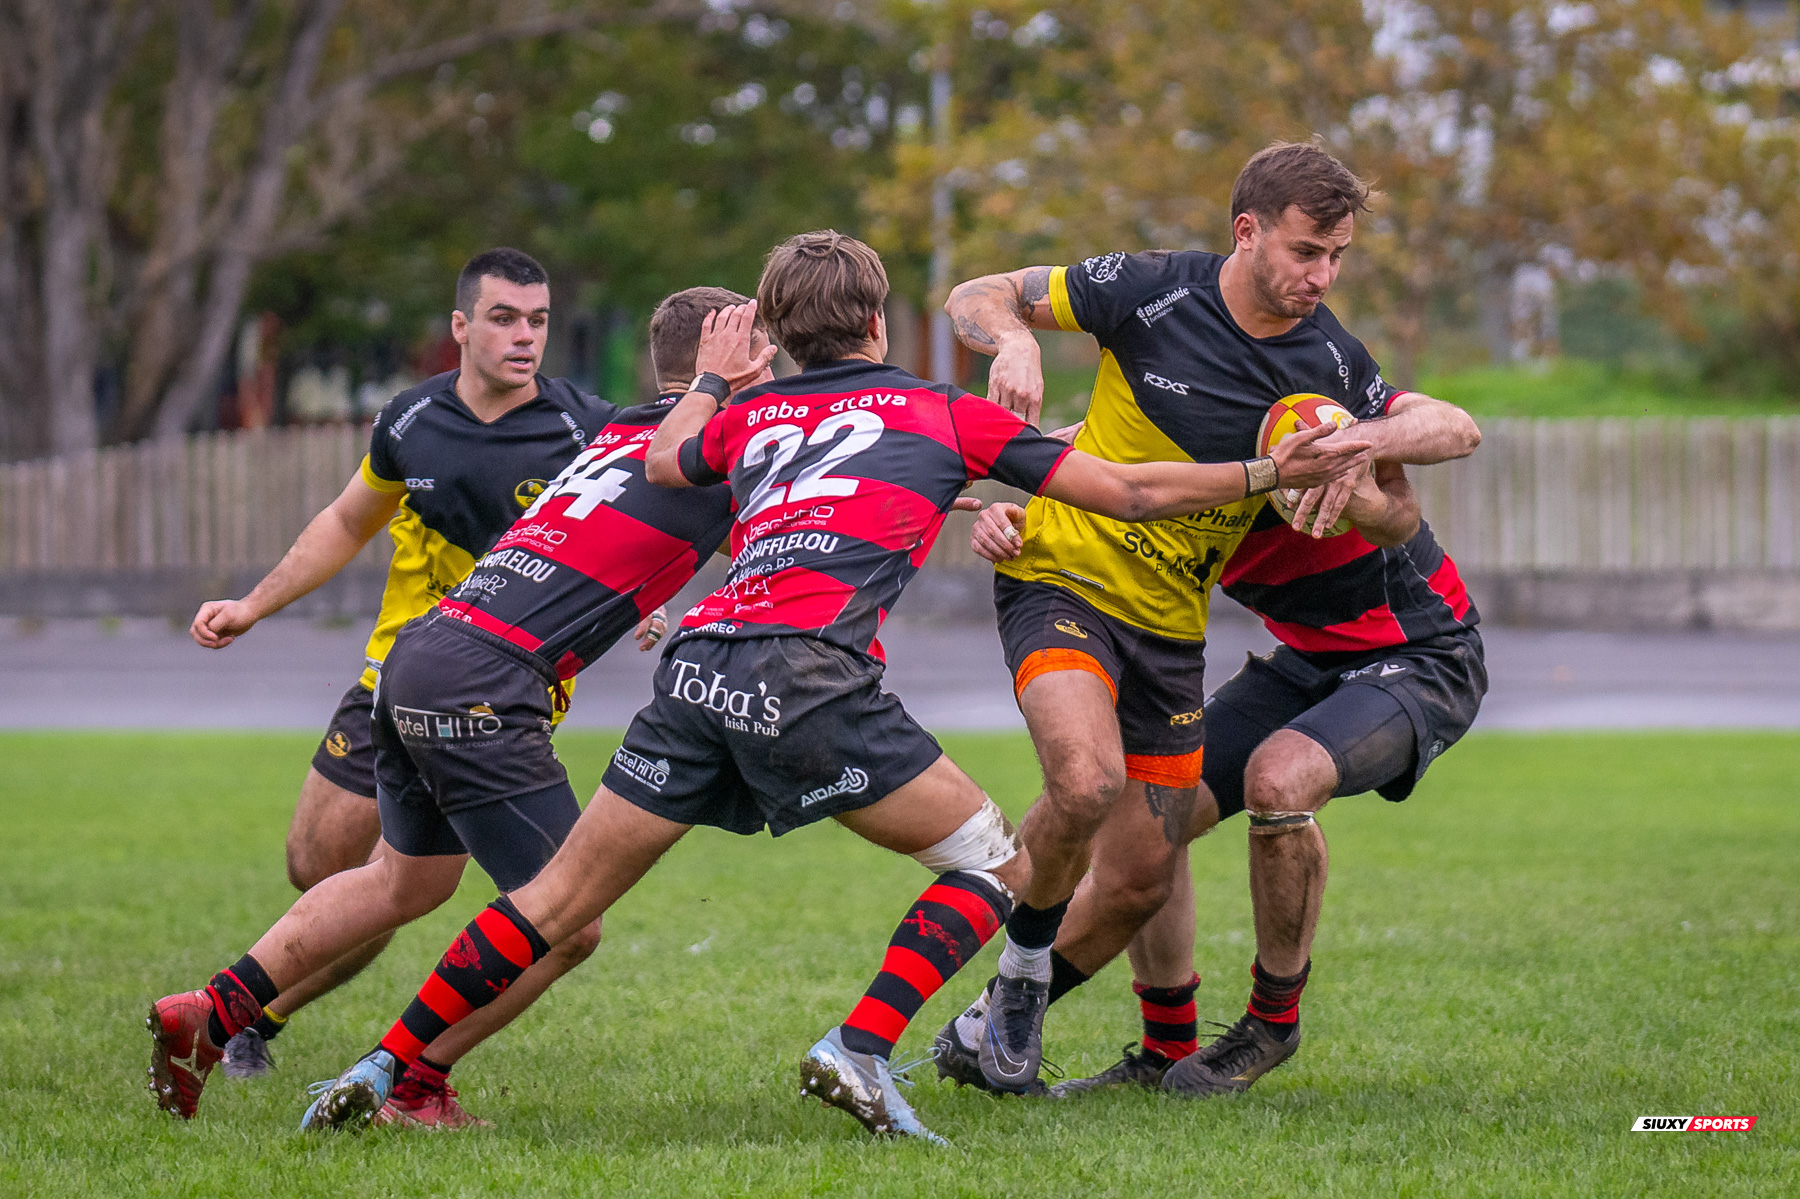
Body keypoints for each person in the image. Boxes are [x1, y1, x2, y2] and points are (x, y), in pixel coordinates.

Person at [293, 230, 1368, 1145]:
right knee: (997, 860)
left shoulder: (748, 419)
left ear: (773, 331)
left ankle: (387, 1067)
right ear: (879, 325)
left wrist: (714, 379)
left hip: (698, 667)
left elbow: (669, 462)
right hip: (808, 672)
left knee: (557, 896)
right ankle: (858, 1044)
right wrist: (1273, 472)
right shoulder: (941, 411)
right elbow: (1130, 490)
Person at [934, 139, 1484, 1094]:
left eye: (1338, 256)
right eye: (1309, 251)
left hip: (1417, 652)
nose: (1323, 275)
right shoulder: (1152, 298)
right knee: (1144, 838)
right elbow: (1066, 425)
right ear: (1247, 231)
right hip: (1298, 656)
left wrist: (1357, 446)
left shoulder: (1325, 373)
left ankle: (1271, 1025)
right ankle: (1144, 1046)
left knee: (1278, 778)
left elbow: (1442, 447)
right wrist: (1017, 406)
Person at [146, 286, 753, 1124]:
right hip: (487, 683)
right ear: (741, 359)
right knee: (569, 922)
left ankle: (213, 1010)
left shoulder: (614, 430)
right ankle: (412, 1081)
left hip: (418, 654)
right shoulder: (721, 442)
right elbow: (787, 515)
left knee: (407, 878)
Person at [182, 249, 623, 1084]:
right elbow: (347, 522)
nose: (524, 336)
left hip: (499, 704)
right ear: (461, 326)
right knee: (319, 868)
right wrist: (253, 604)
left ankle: (309, 1037)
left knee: (462, 895)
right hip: (390, 679)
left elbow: (647, 516)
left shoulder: (583, 429)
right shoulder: (409, 418)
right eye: (503, 318)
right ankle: (266, 1016)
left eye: (537, 320)